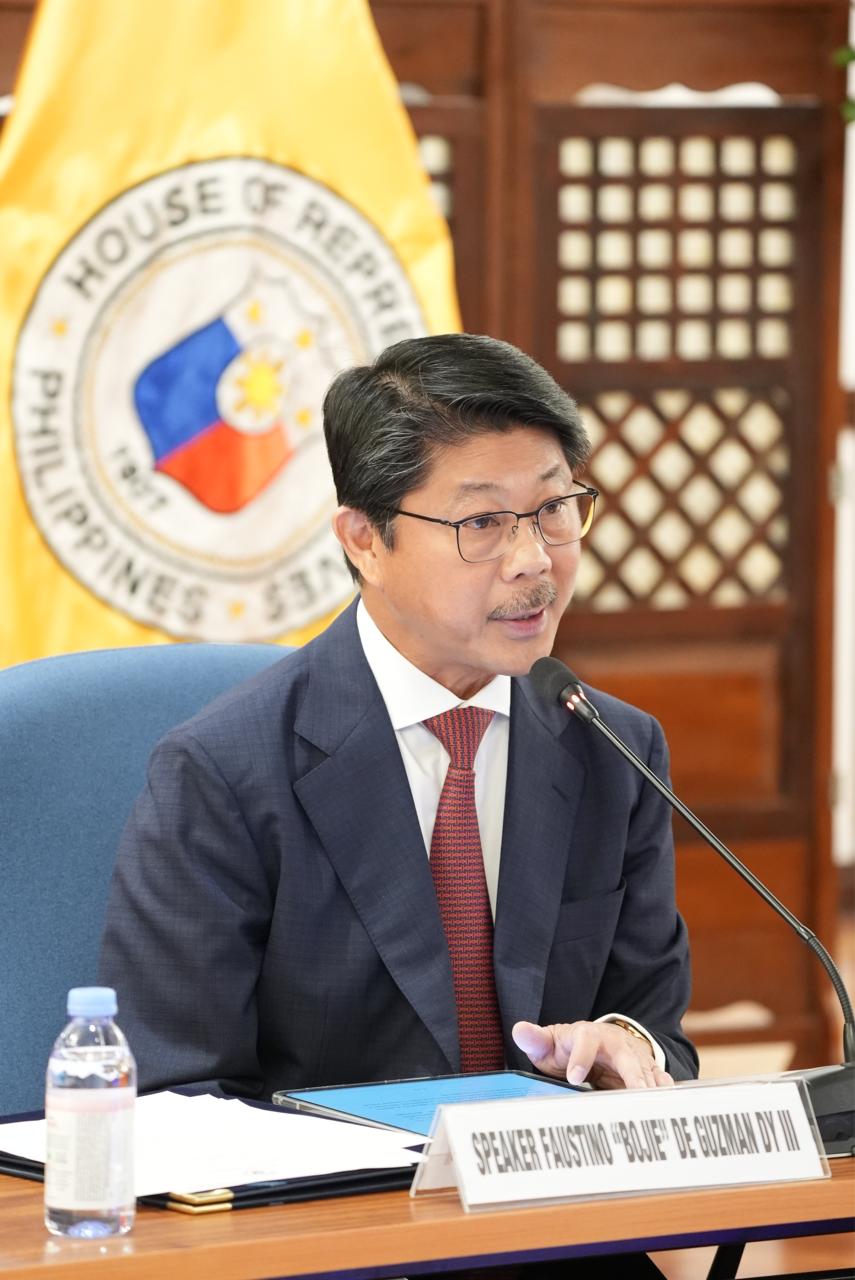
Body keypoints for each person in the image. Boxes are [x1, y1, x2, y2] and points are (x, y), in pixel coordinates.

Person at [99, 333, 697, 1104]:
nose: (533, 558)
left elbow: (656, 1026)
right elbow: (180, 1094)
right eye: (482, 522)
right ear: (365, 542)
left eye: (553, 509)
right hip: (329, 1183)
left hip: (549, 1176)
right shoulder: (222, 774)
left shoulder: (613, 749)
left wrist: (627, 1048)